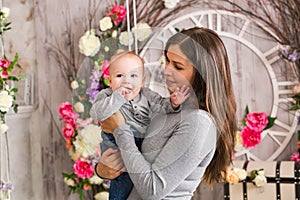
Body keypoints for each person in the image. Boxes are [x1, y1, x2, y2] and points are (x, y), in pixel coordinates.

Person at [95, 27, 237, 199]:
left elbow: (152, 190)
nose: (167, 70)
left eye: (177, 66)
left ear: (202, 73)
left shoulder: (199, 122)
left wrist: (120, 128)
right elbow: (135, 160)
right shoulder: (168, 108)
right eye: (167, 61)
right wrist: (103, 169)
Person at [90, 51, 190, 200]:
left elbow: (162, 105)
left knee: (138, 185)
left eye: (133, 76)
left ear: (142, 82)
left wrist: (173, 103)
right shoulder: (106, 96)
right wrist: (118, 97)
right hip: (116, 147)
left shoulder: (147, 95)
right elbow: (96, 113)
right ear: (110, 81)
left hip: (141, 146)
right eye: (119, 76)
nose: (126, 82)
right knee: (121, 185)